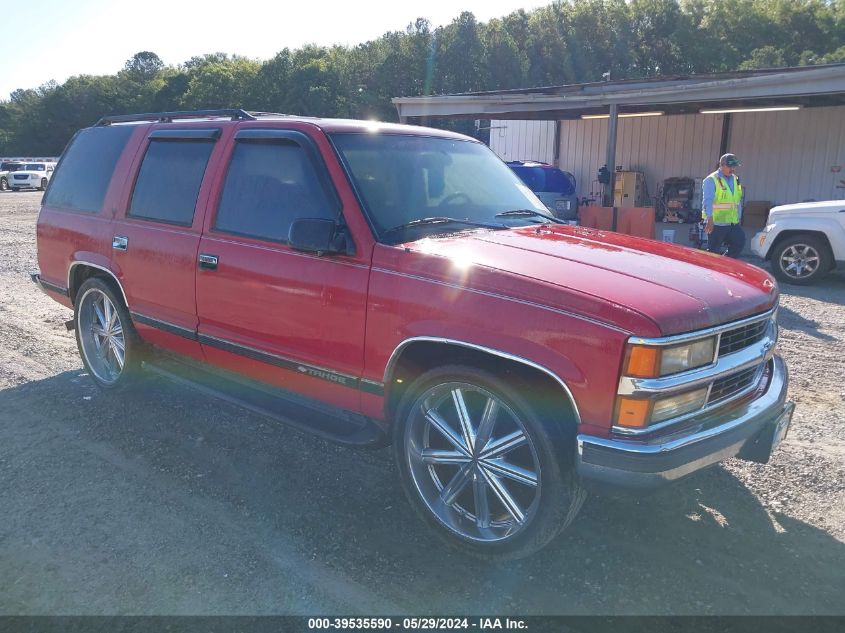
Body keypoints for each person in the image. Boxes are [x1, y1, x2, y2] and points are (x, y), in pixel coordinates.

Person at [702, 153, 745, 257]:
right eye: (730, 166)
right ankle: (711, 270)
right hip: (717, 224)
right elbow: (708, 201)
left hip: (732, 223)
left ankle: (725, 264)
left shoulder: (735, 179)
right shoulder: (711, 180)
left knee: (739, 242)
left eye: (734, 166)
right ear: (721, 165)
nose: (733, 169)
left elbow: (737, 200)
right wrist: (710, 219)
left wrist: (738, 217)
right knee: (713, 251)